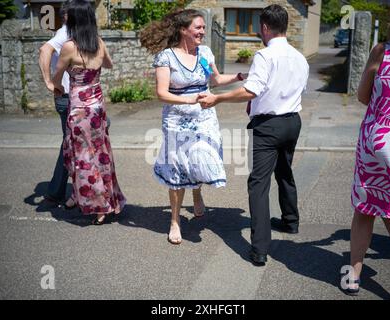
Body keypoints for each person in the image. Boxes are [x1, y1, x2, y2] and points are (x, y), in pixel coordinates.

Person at [198, 4, 309, 265]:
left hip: (269, 126)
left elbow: (251, 90)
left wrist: (218, 99)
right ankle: (290, 222)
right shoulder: (300, 57)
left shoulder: (265, 56)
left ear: (266, 27)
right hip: (293, 121)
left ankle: (259, 249)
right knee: (284, 171)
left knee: (258, 184)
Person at [140, 9, 247, 244]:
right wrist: (188, 100)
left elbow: (215, 80)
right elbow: (162, 92)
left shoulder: (205, 53)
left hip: (205, 118)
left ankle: (197, 192)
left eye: (203, 28)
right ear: (183, 30)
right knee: (177, 167)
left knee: (200, 159)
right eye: (198, 27)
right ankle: (175, 221)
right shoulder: (166, 57)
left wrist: (238, 76)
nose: (202, 31)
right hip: (176, 120)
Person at [49, 0, 126, 224]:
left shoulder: (70, 47)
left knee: (82, 157)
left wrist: (55, 85)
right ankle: (81, 195)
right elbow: (109, 65)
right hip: (97, 108)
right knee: (100, 154)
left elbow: (57, 75)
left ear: (73, 20)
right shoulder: (99, 43)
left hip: (80, 110)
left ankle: (99, 205)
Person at [347, 2, 390, 296]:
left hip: (376, 136)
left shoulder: (382, 51)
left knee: (366, 208)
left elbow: (362, 95)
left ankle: (353, 275)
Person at [38, 0, 73, 204]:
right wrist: (49, 82)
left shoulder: (68, 32)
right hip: (67, 98)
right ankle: (57, 191)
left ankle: (57, 190)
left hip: (71, 98)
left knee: (69, 143)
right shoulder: (65, 32)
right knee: (70, 143)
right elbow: (44, 50)